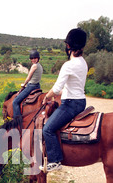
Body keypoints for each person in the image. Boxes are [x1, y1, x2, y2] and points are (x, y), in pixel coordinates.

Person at [40, 28, 88, 172]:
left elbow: (56, 89)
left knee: (47, 129)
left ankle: (55, 161)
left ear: (68, 46)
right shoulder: (83, 63)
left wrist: (46, 97)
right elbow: (66, 89)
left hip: (70, 104)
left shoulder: (68, 65)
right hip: (80, 101)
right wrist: (54, 93)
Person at [12, 50, 43, 122]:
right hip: (38, 86)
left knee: (15, 102)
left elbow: (29, 77)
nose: (33, 60)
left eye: (35, 58)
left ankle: (17, 120)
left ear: (38, 58)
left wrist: (24, 85)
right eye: (32, 58)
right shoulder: (40, 66)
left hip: (31, 86)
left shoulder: (34, 66)